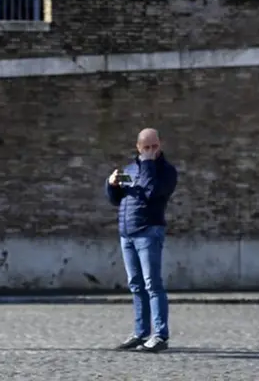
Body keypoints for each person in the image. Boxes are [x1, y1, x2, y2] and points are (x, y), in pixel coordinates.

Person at [105, 128, 178, 353]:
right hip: (127, 233)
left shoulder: (166, 171)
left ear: (160, 145)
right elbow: (117, 200)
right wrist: (111, 184)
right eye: (146, 147)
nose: (151, 151)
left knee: (152, 284)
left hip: (149, 231)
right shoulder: (130, 169)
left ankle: (160, 335)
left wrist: (147, 164)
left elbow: (151, 192)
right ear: (137, 147)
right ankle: (140, 333)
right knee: (136, 285)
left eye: (154, 146)